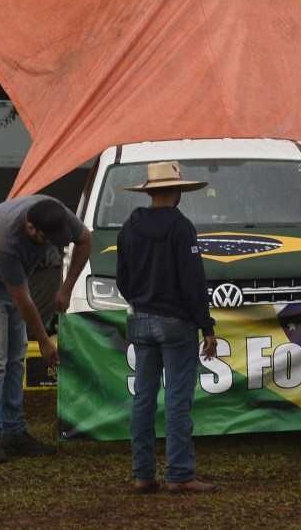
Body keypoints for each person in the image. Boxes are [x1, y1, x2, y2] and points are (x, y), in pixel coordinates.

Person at [0, 194, 92, 463]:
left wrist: (67, 288)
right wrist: (43, 341)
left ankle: (14, 433)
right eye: (47, 238)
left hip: (12, 276)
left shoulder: (56, 212)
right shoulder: (5, 242)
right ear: (30, 228)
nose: (51, 243)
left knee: (16, 357)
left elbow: (85, 240)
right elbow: (23, 300)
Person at [117, 161, 219, 493]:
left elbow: (122, 278)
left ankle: (142, 473)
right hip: (176, 322)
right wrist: (206, 326)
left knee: (143, 398)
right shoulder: (181, 227)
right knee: (177, 399)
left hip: (141, 318)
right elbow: (193, 282)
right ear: (177, 191)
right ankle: (179, 473)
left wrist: (140, 300)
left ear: (149, 191)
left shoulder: (130, 227)